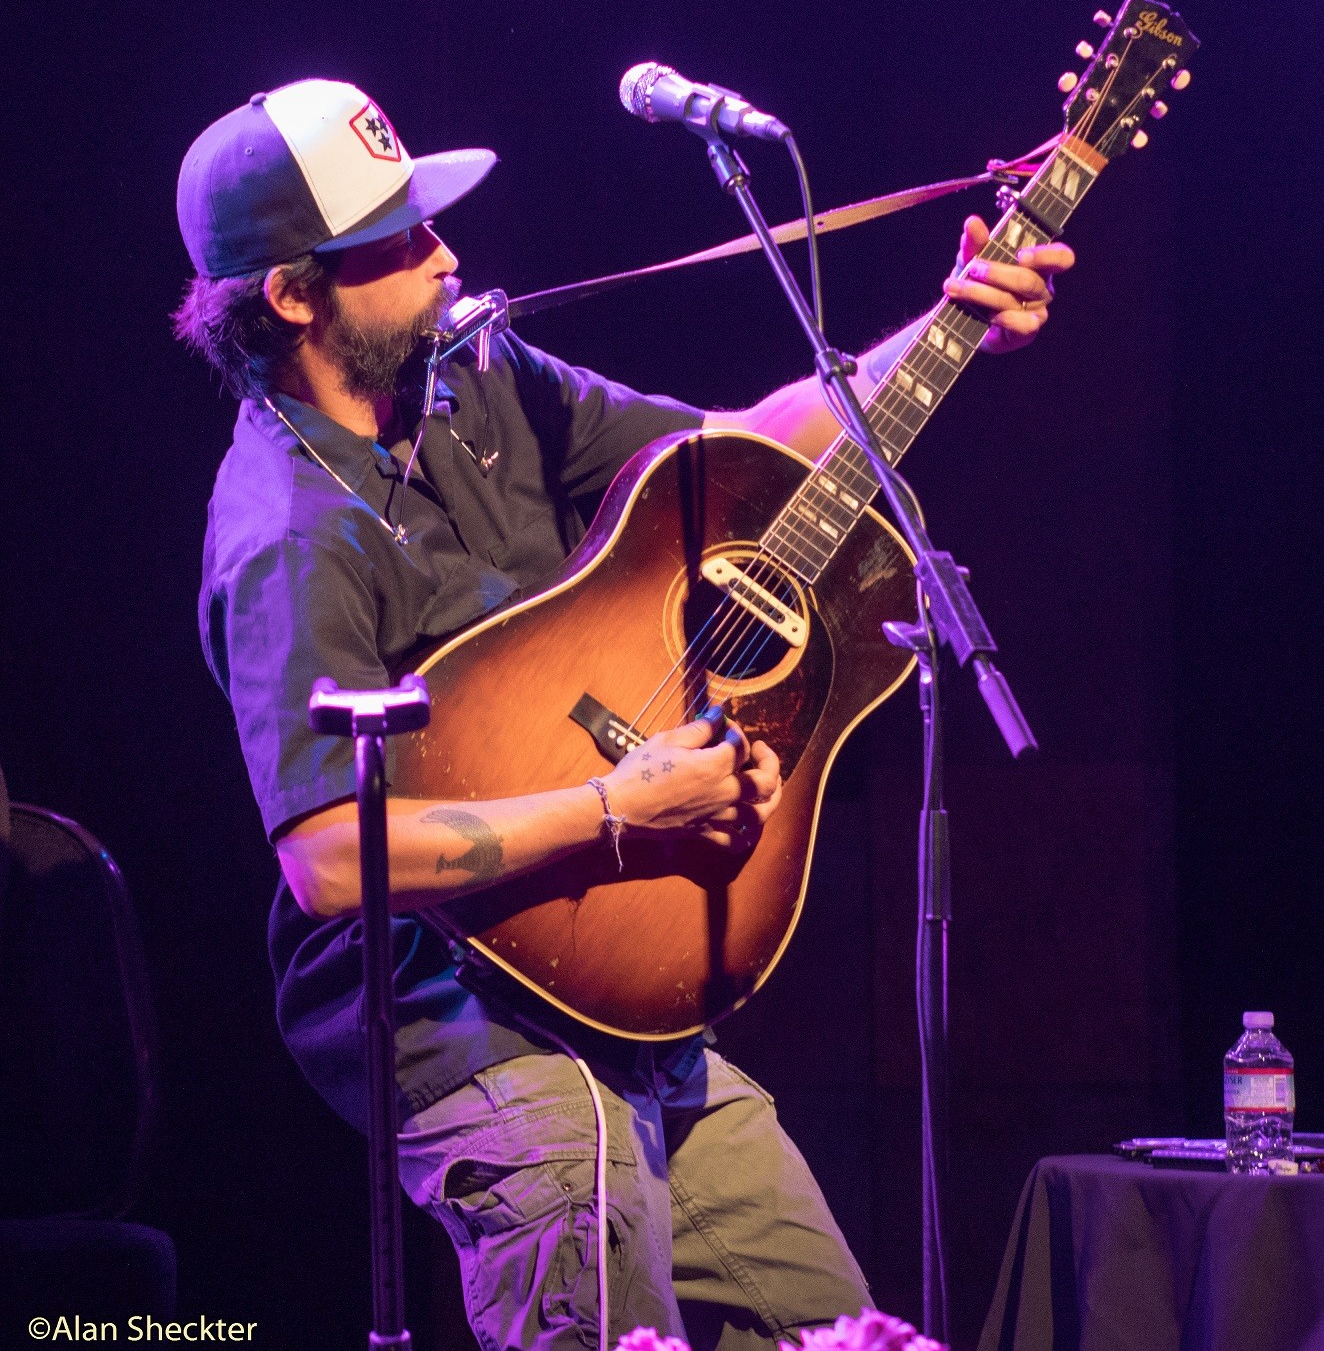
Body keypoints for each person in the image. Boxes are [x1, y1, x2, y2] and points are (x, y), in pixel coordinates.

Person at [175, 78, 1072, 1351]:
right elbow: (328, 859)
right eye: (403, 235)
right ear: (291, 292)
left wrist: (949, 327)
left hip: (630, 997)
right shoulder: (285, 533)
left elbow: (747, 445)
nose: (448, 249)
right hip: (460, 1022)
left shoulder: (481, 383)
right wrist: (618, 804)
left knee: (841, 1325)